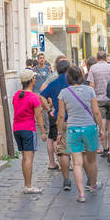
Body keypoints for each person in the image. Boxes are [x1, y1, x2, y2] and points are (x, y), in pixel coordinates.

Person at [57, 64, 103, 202]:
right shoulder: (90, 91)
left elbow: (60, 116)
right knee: (92, 160)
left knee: (77, 163)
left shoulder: (63, 93)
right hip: (89, 128)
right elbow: (96, 112)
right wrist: (100, 128)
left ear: (68, 77)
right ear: (82, 76)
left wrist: (59, 133)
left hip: (72, 129)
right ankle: (93, 185)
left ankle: (81, 194)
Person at [13, 68, 48, 195]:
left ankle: (26, 184)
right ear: (32, 80)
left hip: (17, 129)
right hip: (28, 129)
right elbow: (39, 116)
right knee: (29, 159)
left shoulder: (16, 95)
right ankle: (28, 186)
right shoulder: (34, 97)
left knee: (24, 158)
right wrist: (43, 132)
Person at [41, 56, 72, 189]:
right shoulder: (73, 81)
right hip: (74, 119)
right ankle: (85, 177)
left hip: (60, 119)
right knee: (78, 149)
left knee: (62, 149)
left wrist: (49, 110)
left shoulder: (53, 83)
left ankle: (66, 180)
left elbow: (41, 95)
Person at [87, 51, 110, 157]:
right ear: (106, 58)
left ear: (97, 58)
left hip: (99, 99)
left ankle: (105, 148)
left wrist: (91, 99)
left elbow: (91, 85)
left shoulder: (93, 68)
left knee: (102, 125)